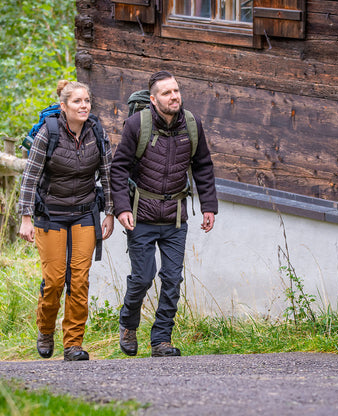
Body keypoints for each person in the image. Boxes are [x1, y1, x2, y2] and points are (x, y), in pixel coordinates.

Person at [110, 71, 218, 357]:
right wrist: (121, 208)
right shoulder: (137, 125)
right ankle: (128, 324)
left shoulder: (192, 125)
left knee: (172, 278)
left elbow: (203, 166)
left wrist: (209, 206)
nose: (175, 96)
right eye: (168, 93)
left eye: (177, 91)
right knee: (143, 277)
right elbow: (118, 168)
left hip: (174, 217)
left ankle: (161, 340)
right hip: (141, 214)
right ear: (154, 100)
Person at [18, 80, 114, 361]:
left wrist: (109, 212)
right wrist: (26, 218)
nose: (84, 106)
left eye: (87, 101)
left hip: (85, 212)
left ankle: (73, 344)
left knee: (79, 279)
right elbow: (30, 178)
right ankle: (45, 329)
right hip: (50, 214)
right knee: (54, 280)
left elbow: (107, 175)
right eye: (77, 102)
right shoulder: (48, 133)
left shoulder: (96, 131)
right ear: (64, 106)